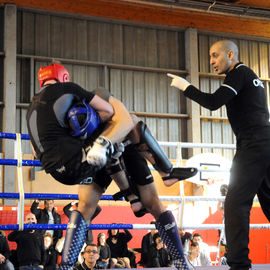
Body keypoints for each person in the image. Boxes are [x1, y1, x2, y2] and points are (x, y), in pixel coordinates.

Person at [27, 63, 195, 270]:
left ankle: (67, 265)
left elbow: (36, 152)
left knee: (86, 206)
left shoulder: (35, 107)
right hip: (94, 156)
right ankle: (163, 176)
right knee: (133, 125)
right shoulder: (87, 99)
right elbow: (113, 113)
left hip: (69, 166)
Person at [167, 39, 270, 270]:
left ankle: (239, 265)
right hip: (264, 142)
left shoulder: (238, 73)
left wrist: (186, 87)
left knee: (235, 205)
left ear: (231, 55)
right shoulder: (251, 76)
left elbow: (213, 102)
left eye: (215, 55)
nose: (212, 61)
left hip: (254, 144)